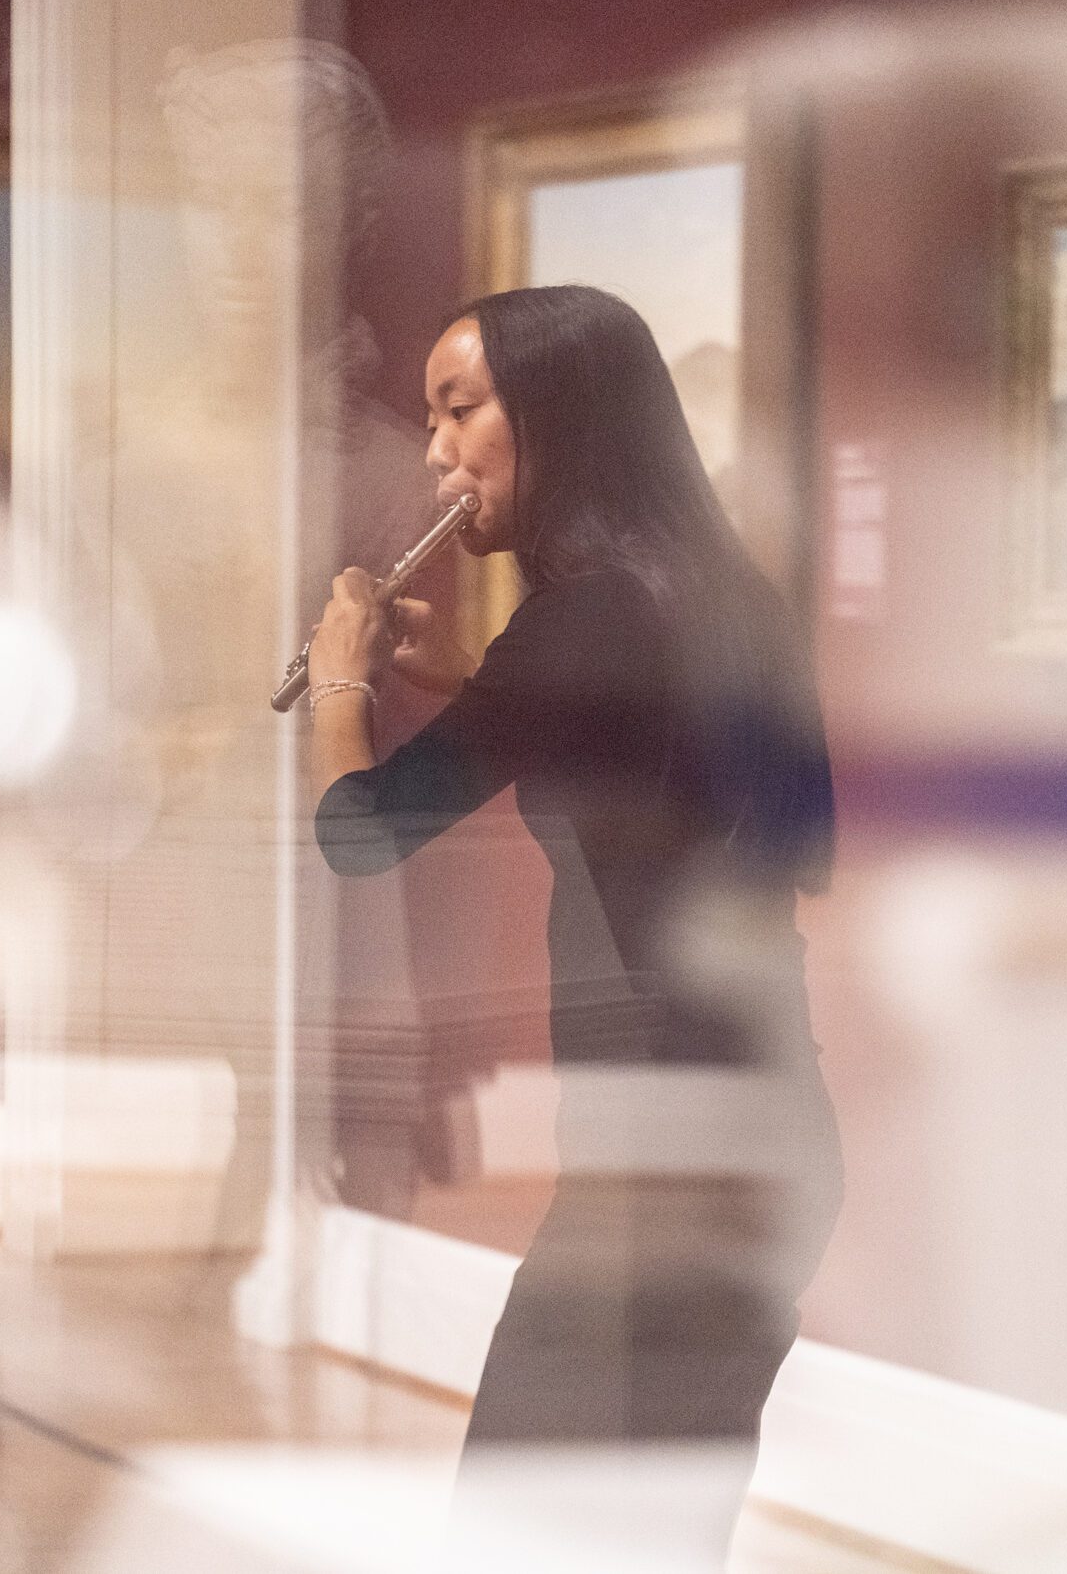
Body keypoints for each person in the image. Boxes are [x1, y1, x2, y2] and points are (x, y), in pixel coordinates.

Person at [302, 284, 842, 1568]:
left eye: (457, 411)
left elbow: (359, 831)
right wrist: (465, 683)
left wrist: (337, 681)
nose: (435, 451)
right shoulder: (721, 593)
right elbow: (739, 805)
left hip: (656, 1186)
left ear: (555, 417)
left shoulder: (581, 624)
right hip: (772, 1152)